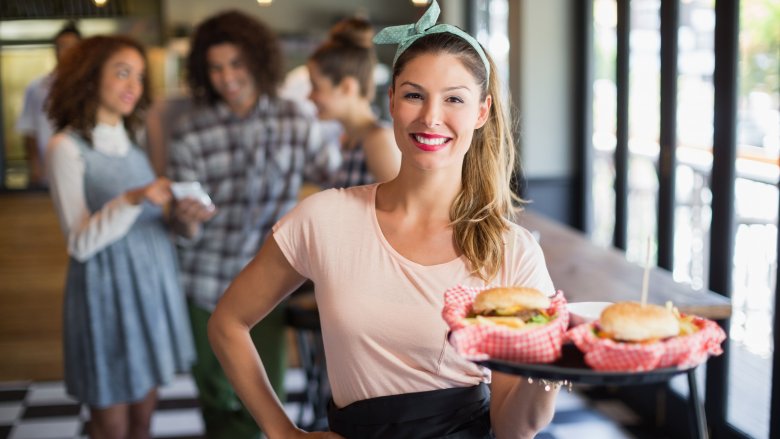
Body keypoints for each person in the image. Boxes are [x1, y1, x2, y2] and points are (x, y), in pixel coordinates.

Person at [207, 2, 559, 438]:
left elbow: (513, 429)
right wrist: (285, 433)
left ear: (481, 112)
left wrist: (551, 364)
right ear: (391, 100)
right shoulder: (325, 218)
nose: (431, 117)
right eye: (414, 94)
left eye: (454, 99)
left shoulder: (512, 251)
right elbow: (227, 323)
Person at [167, 10, 340, 438]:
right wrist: (185, 220)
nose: (227, 77)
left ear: (258, 62)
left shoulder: (296, 119)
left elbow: (340, 180)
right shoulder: (190, 132)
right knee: (216, 399)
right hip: (204, 281)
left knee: (265, 402)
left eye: (236, 64)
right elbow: (182, 232)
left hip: (268, 283)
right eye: (216, 68)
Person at [45, 35, 195, 438]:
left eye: (140, 76)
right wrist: (131, 198)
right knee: (111, 428)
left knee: (142, 424)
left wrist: (183, 216)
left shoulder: (134, 142)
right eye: (122, 73)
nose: (134, 86)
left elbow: (151, 223)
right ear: (91, 78)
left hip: (150, 292)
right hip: (105, 297)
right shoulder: (66, 147)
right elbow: (79, 242)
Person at [307, 16, 400, 187]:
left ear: (346, 87)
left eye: (316, 86)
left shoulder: (378, 141)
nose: (309, 96)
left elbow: (403, 209)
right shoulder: (350, 140)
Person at [16, 21, 81, 188]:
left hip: (82, 168)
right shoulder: (37, 87)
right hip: (48, 171)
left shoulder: (91, 87)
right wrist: (35, 167)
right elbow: (29, 130)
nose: (66, 52)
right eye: (62, 47)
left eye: (71, 47)